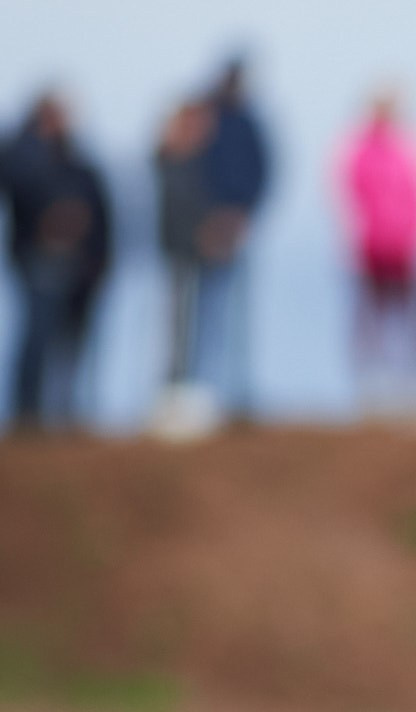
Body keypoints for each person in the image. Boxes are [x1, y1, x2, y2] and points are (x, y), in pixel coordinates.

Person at [1, 90, 113, 433]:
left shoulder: (76, 162)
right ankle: (28, 413)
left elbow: (100, 212)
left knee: (72, 340)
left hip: (81, 264)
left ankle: (66, 410)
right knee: (38, 338)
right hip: (39, 258)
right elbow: (22, 190)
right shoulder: (21, 155)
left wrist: (99, 257)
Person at [337, 87, 416, 418]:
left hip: (408, 249)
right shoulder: (356, 148)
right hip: (370, 249)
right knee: (371, 321)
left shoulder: (414, 146)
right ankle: (374, 384)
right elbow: (346, 199)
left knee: (415, 322)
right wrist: (352, 242)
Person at [192, 56, 270, 419]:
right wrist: (207, 217)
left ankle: (235, 391)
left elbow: (262, 169)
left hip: (237, 229)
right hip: (203, 231)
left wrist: (244, 214)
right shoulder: (204, 117)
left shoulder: (249, 121)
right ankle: (197, 391)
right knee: (197, 313)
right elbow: (188, 169)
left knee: (237, 315)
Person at [150, 97, 216, 432]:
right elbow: (171, 216)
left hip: (187, 257)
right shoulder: (167, 165)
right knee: (173, 331)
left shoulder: (189, 166)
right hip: (174, 257)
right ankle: (169, 402)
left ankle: (179, 395)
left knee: (186, 329)